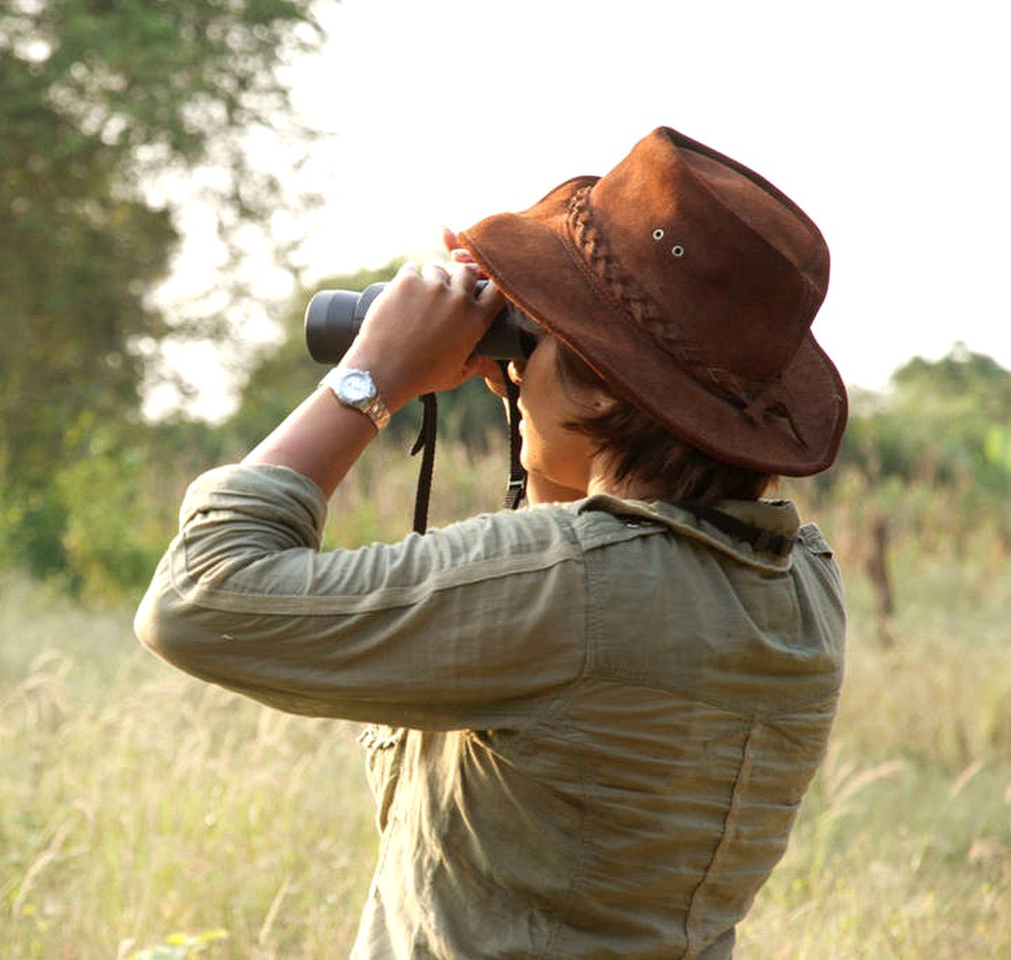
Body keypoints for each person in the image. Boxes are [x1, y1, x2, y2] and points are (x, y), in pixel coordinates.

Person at [134, 127, 848, 959]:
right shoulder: (796, 581)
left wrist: (373, 375)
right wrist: (529, 390)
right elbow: (583, 558)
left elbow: (201, 593)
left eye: (542, 334)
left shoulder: (575, 595)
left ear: (601, 379)